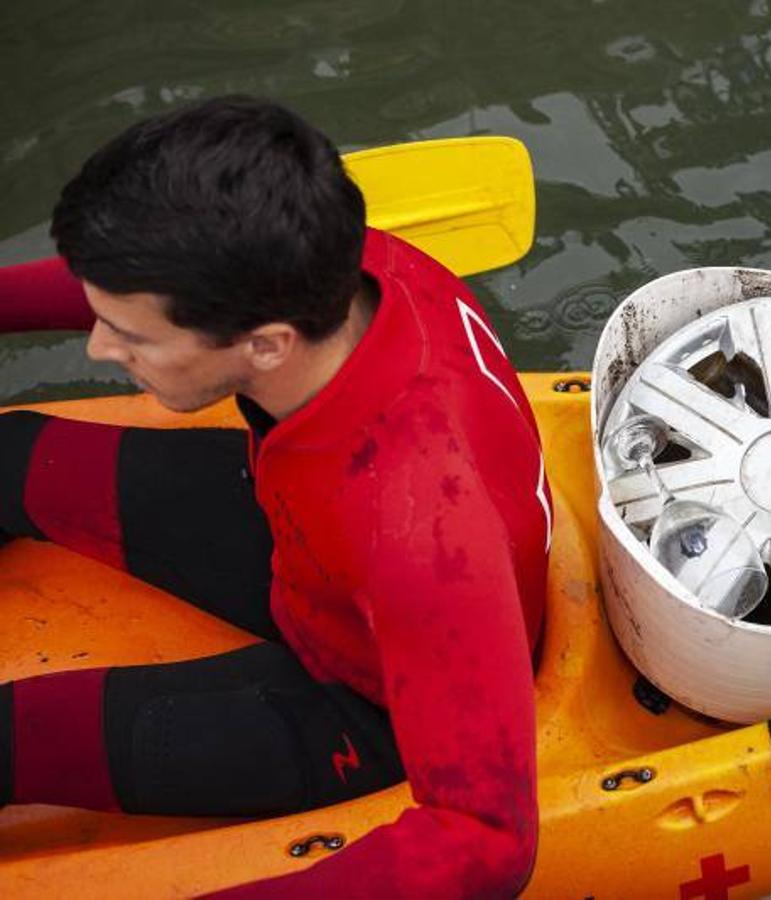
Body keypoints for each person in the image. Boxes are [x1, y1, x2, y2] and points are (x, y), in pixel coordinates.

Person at [0, 96, 551, 897]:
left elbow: (489, 841)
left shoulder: (420, 532)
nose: (97, 345)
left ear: (265, 343)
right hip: (296, 528)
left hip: (359, 694)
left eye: (133, 337)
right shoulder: (346, 260)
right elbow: (138, 282)